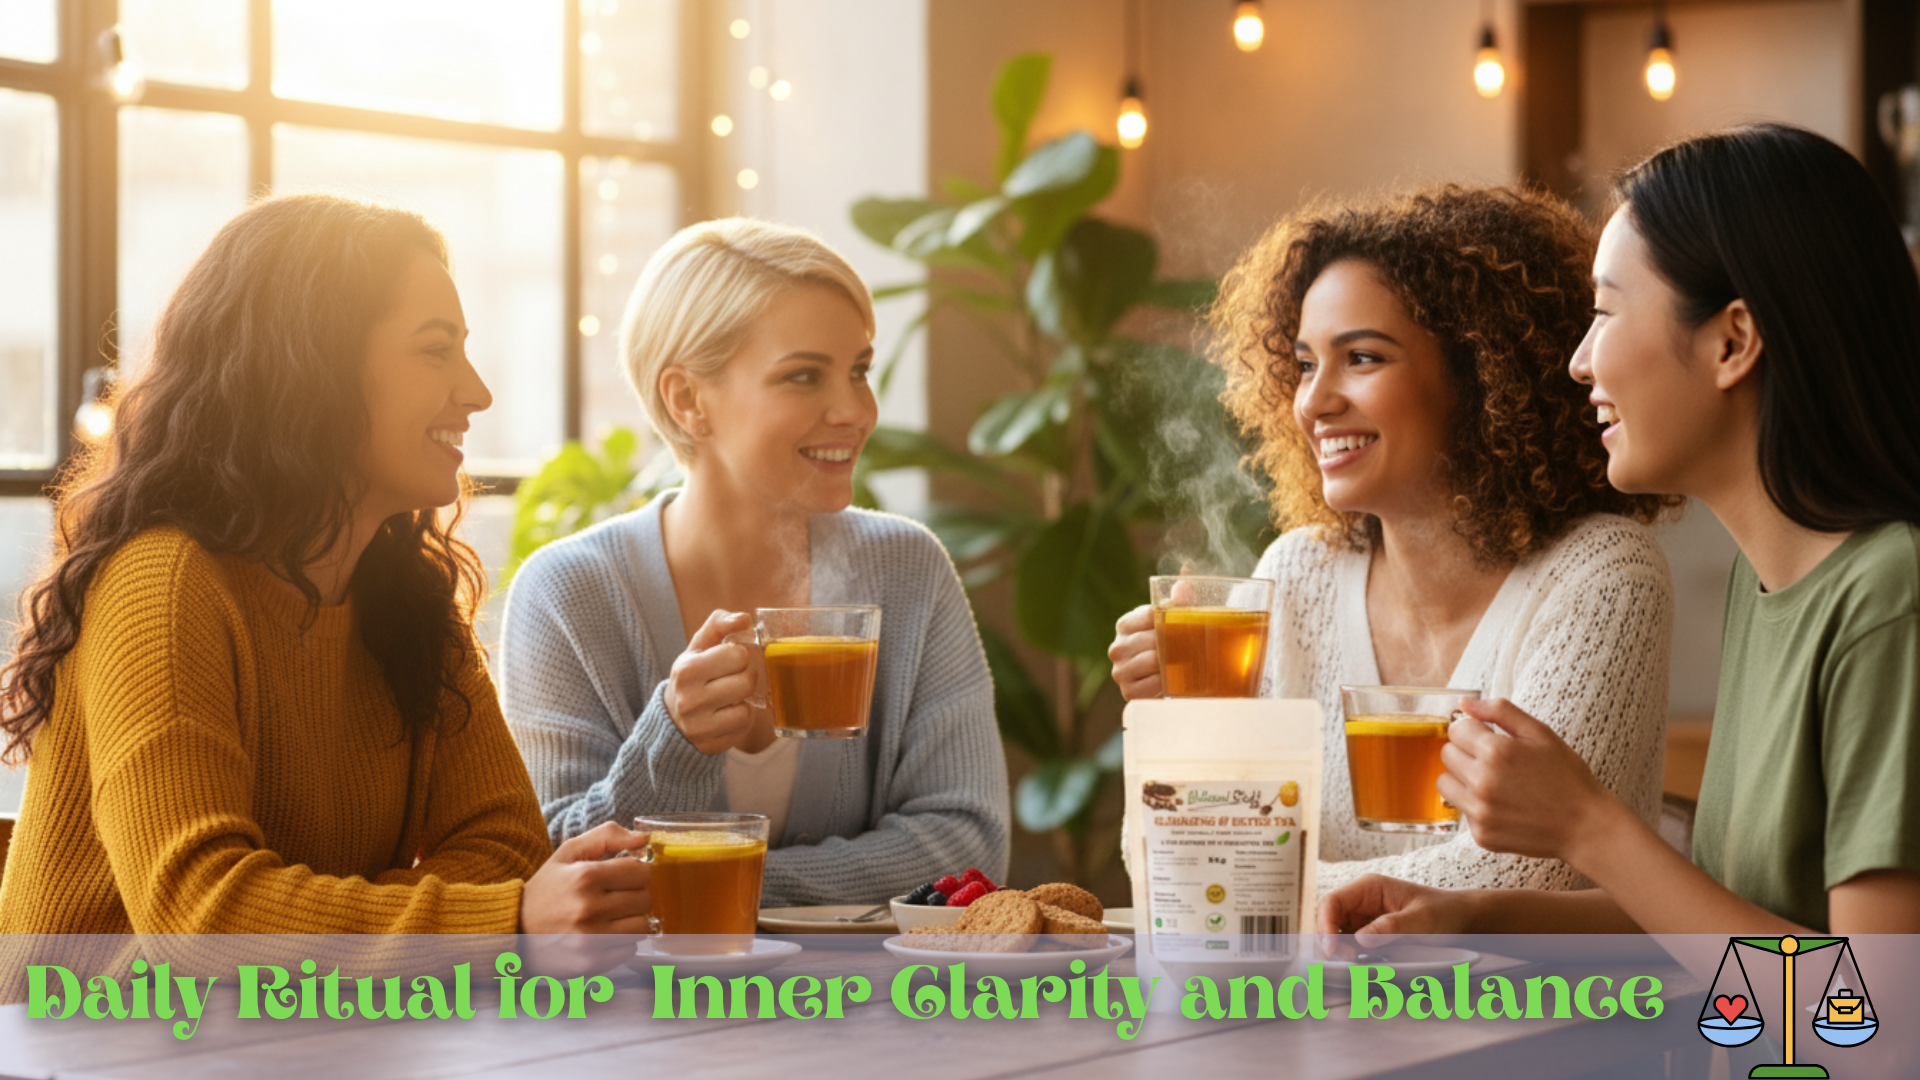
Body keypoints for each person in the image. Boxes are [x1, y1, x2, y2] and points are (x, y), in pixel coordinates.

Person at [0, 195, 650, 989]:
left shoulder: (402, 596)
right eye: (435, 352)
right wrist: (498, 923)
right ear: (313, 368)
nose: (476, 391)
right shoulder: (163, 584)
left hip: (300, 1037)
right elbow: (204, 916)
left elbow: (507, 844)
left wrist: (339, 927)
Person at [1319, 125, 1920, 938]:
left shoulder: (1888, 599)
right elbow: (1727, 925)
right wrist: (1472, 915)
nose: (1579, 361)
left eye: (1604, 313)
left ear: (1733, 341)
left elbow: (1879, 1030)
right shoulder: (1771, 579)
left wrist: (1587, 827)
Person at [1109, 185, 1678, 895]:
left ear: (1480, 373)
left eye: (1364, 358)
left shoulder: (1600, 576)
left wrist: (1255, 877)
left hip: (1540, 1003)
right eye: (1307, 363)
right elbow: (1171, 862)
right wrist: (1187, 723)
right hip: (1313, 1006)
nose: (1314, 402)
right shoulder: (1297, 576)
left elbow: (1538, 871)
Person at [501, 218, 1008, 906]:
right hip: (645, 1009)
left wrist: (723, 882)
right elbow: (558, 863)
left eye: (858, 370)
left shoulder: (908, 570)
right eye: (804, 376)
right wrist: (671, 741)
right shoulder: (569, 592)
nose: (855, 410)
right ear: (687, 401)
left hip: (873, 1009)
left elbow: (967, 842)